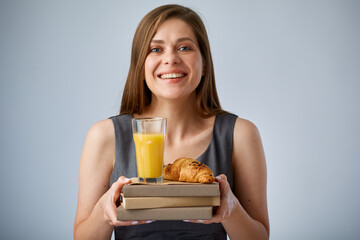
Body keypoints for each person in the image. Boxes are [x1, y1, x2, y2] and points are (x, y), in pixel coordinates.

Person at [74, 4, 269, 240]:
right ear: (140, 65)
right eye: (156, 49)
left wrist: (232, 209)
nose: (171, 59)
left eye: (184, 47)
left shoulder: (241, 134)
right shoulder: (104, 136)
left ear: (205, 63)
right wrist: (103, 212)